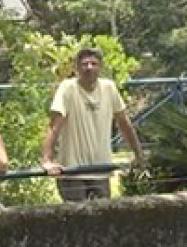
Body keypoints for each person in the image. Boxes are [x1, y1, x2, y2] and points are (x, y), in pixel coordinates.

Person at [41, 45, 143, 201]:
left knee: (102, 216)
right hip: (72, 170)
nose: (89, 68)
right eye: (85, 64)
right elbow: (55, 126)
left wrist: (138, 153)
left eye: (93, 64)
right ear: (77, 68)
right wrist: (47, 160)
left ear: (100, 67)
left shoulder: (109, 88)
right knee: (76, 217)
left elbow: (124, 123)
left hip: (101, 169)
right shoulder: (68, 88)